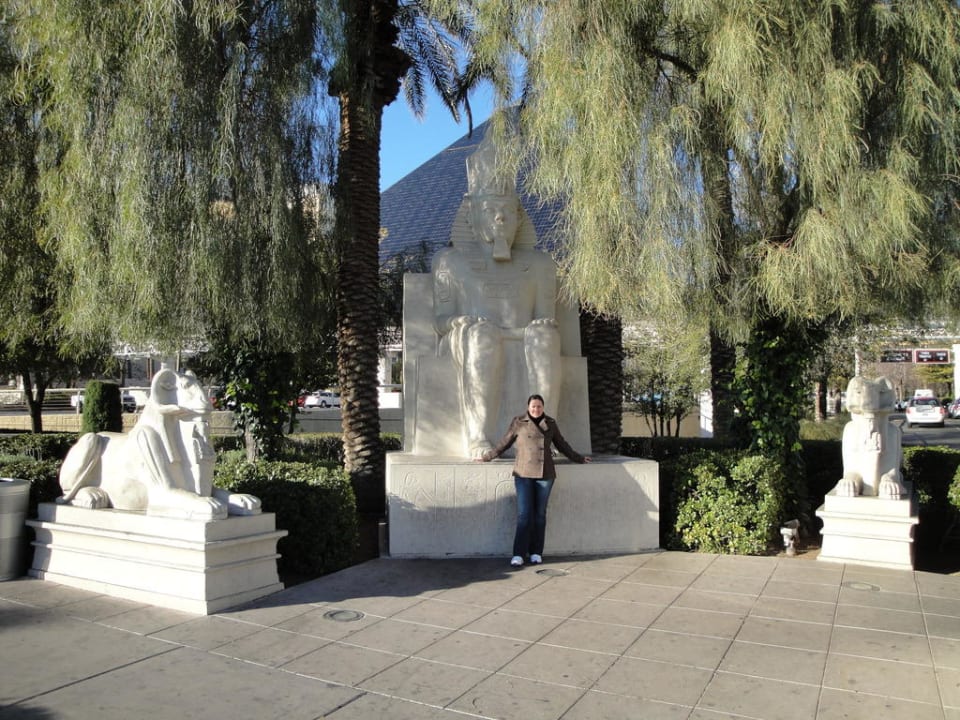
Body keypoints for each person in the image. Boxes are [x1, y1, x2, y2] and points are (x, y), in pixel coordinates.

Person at [433, 131, 562, 458]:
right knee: (483, 335)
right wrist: (459, 321)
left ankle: (543, 436)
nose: (500, 217)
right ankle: (478, 435)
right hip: (469, 336)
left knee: (545, 336)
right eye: (490, 209)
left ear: (519, 217)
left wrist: (540, 326)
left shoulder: (540, 264)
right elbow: (440, 321)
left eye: (507, 210)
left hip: (521, 333)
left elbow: (546, 318)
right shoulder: (451, 261)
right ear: (472, 216)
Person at [477, 394, 591, 566]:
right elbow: (504, 442)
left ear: (542, 407)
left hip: (545, 474)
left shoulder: (550, 423)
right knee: (524, 515)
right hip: (523, 473)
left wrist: (579, 458)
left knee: (539, 515)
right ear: (528, 407)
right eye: (533, 406)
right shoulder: (518, 422)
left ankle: (536, 552)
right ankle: (518, 554)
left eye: (539, 406)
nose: (536, 409)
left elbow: (561, 444)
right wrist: (487, 457)